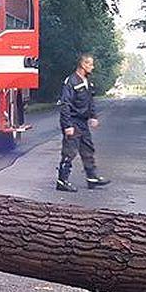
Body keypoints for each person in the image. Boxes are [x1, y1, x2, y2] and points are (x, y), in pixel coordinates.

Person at [56, 53, 111, 192]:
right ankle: (62, 181)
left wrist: (93, 116)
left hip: (83, 122)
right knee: (70, 152)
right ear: (83, 64)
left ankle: (92, 178)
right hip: (73, 121)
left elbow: (90, 101)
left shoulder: (87, 81)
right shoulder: (71, 81)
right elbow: (65, 104)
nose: (92, 67)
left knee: (88, 149)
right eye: (90, 64)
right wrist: (67, 126)